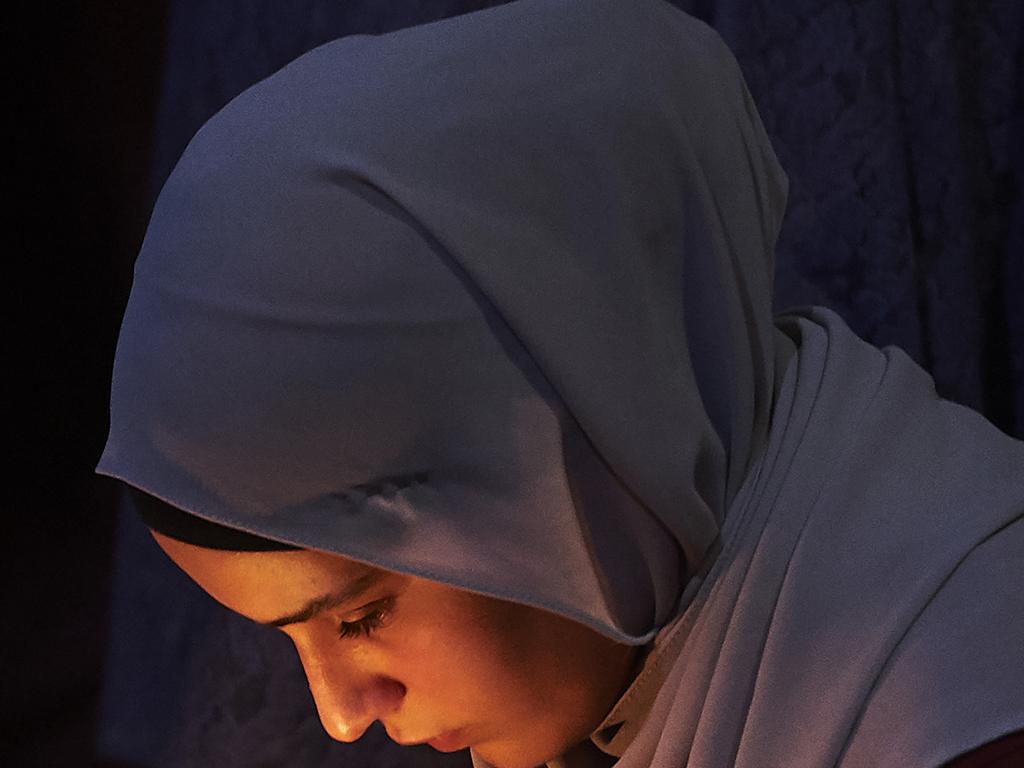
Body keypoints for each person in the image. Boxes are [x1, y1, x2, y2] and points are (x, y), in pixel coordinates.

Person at [96, 0, 1024, 766]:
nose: (344, 715)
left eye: (362, 613)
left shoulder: (960, 701)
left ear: (575, 423)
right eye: (286, 641)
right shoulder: (645, 687)